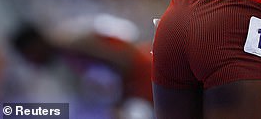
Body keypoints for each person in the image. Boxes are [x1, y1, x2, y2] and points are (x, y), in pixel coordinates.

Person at [9, 20, 153, 119]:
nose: (32, 63)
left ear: (35, 44)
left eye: (29, 56)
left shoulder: (73, 44)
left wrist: (119, 101)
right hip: (141, 84)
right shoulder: (63, 56)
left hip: (147, 73)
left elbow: (123, 60)